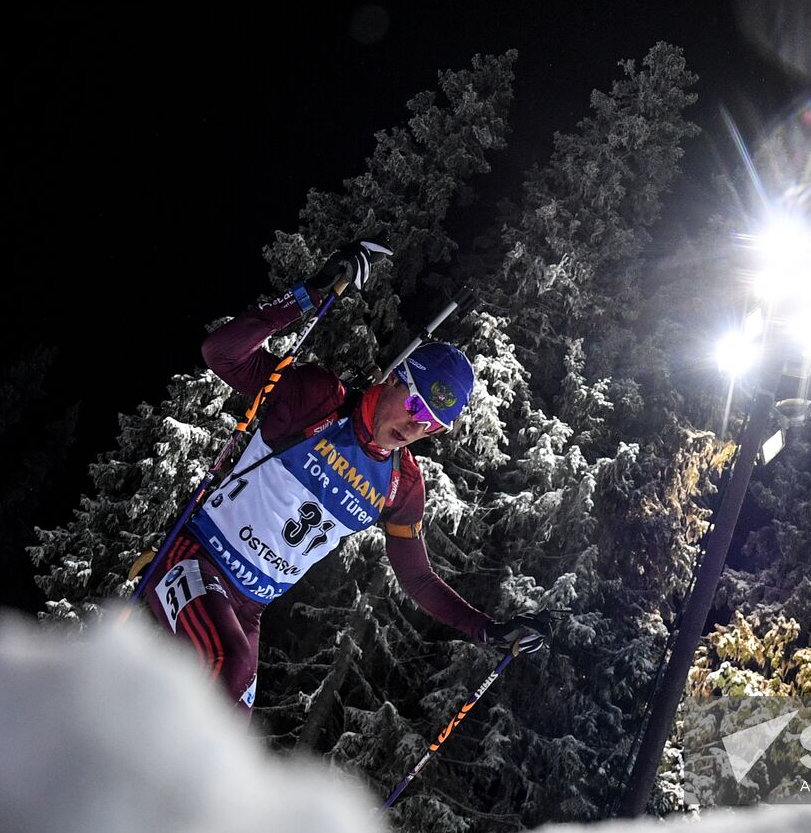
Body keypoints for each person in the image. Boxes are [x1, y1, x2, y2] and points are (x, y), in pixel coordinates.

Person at [140, 240, 548, 716]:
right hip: (195, 557)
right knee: (227, 667)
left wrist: (489, 630)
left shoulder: (401, 485)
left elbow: (418, 578)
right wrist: (309, 293)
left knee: (227, 732)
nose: (415, 427)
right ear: (394, 379)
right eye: (415, 405)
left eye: (432, 425)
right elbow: (222, 354)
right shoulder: (319, 400)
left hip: (250, 610)